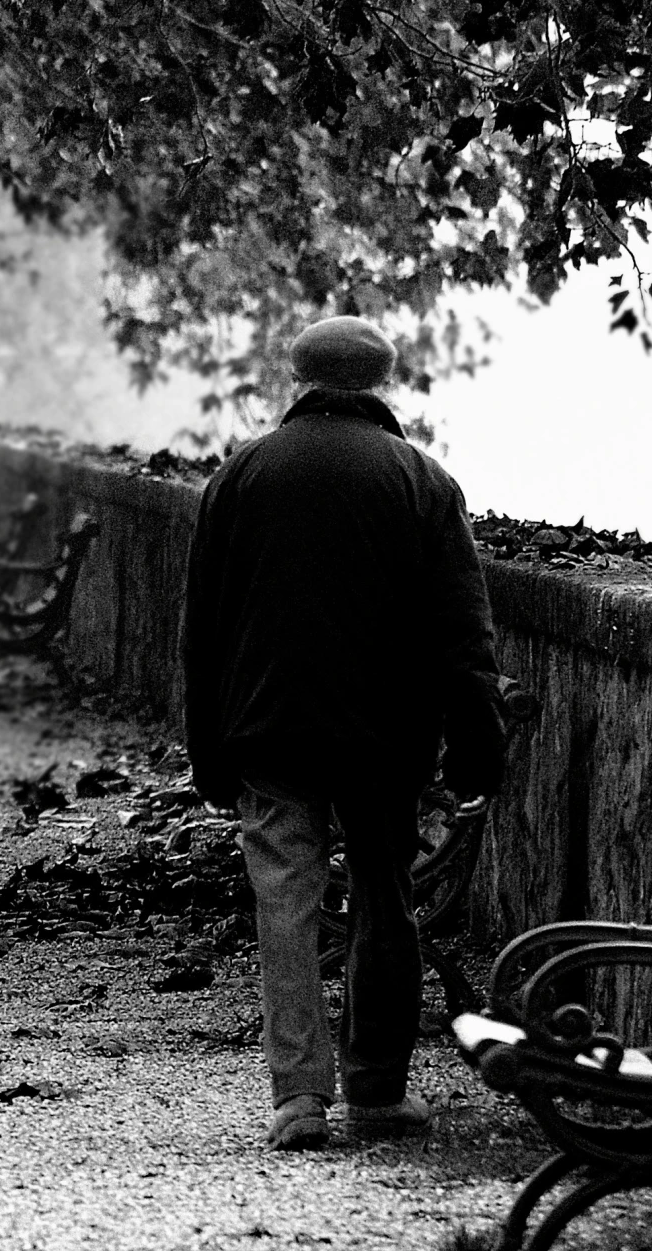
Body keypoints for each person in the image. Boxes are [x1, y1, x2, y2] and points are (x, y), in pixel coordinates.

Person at [182, 316, 507, 1152]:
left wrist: (207, 751)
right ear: (380, 382)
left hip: (268, 731)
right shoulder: (421, 481)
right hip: (382, 739)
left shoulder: (239, 475)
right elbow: (462, 636)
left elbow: (200, 633)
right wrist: (479, 746)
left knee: (283, 904)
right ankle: (375, 1091)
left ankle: (297, 1098)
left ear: (300, 378)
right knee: (384, 902)